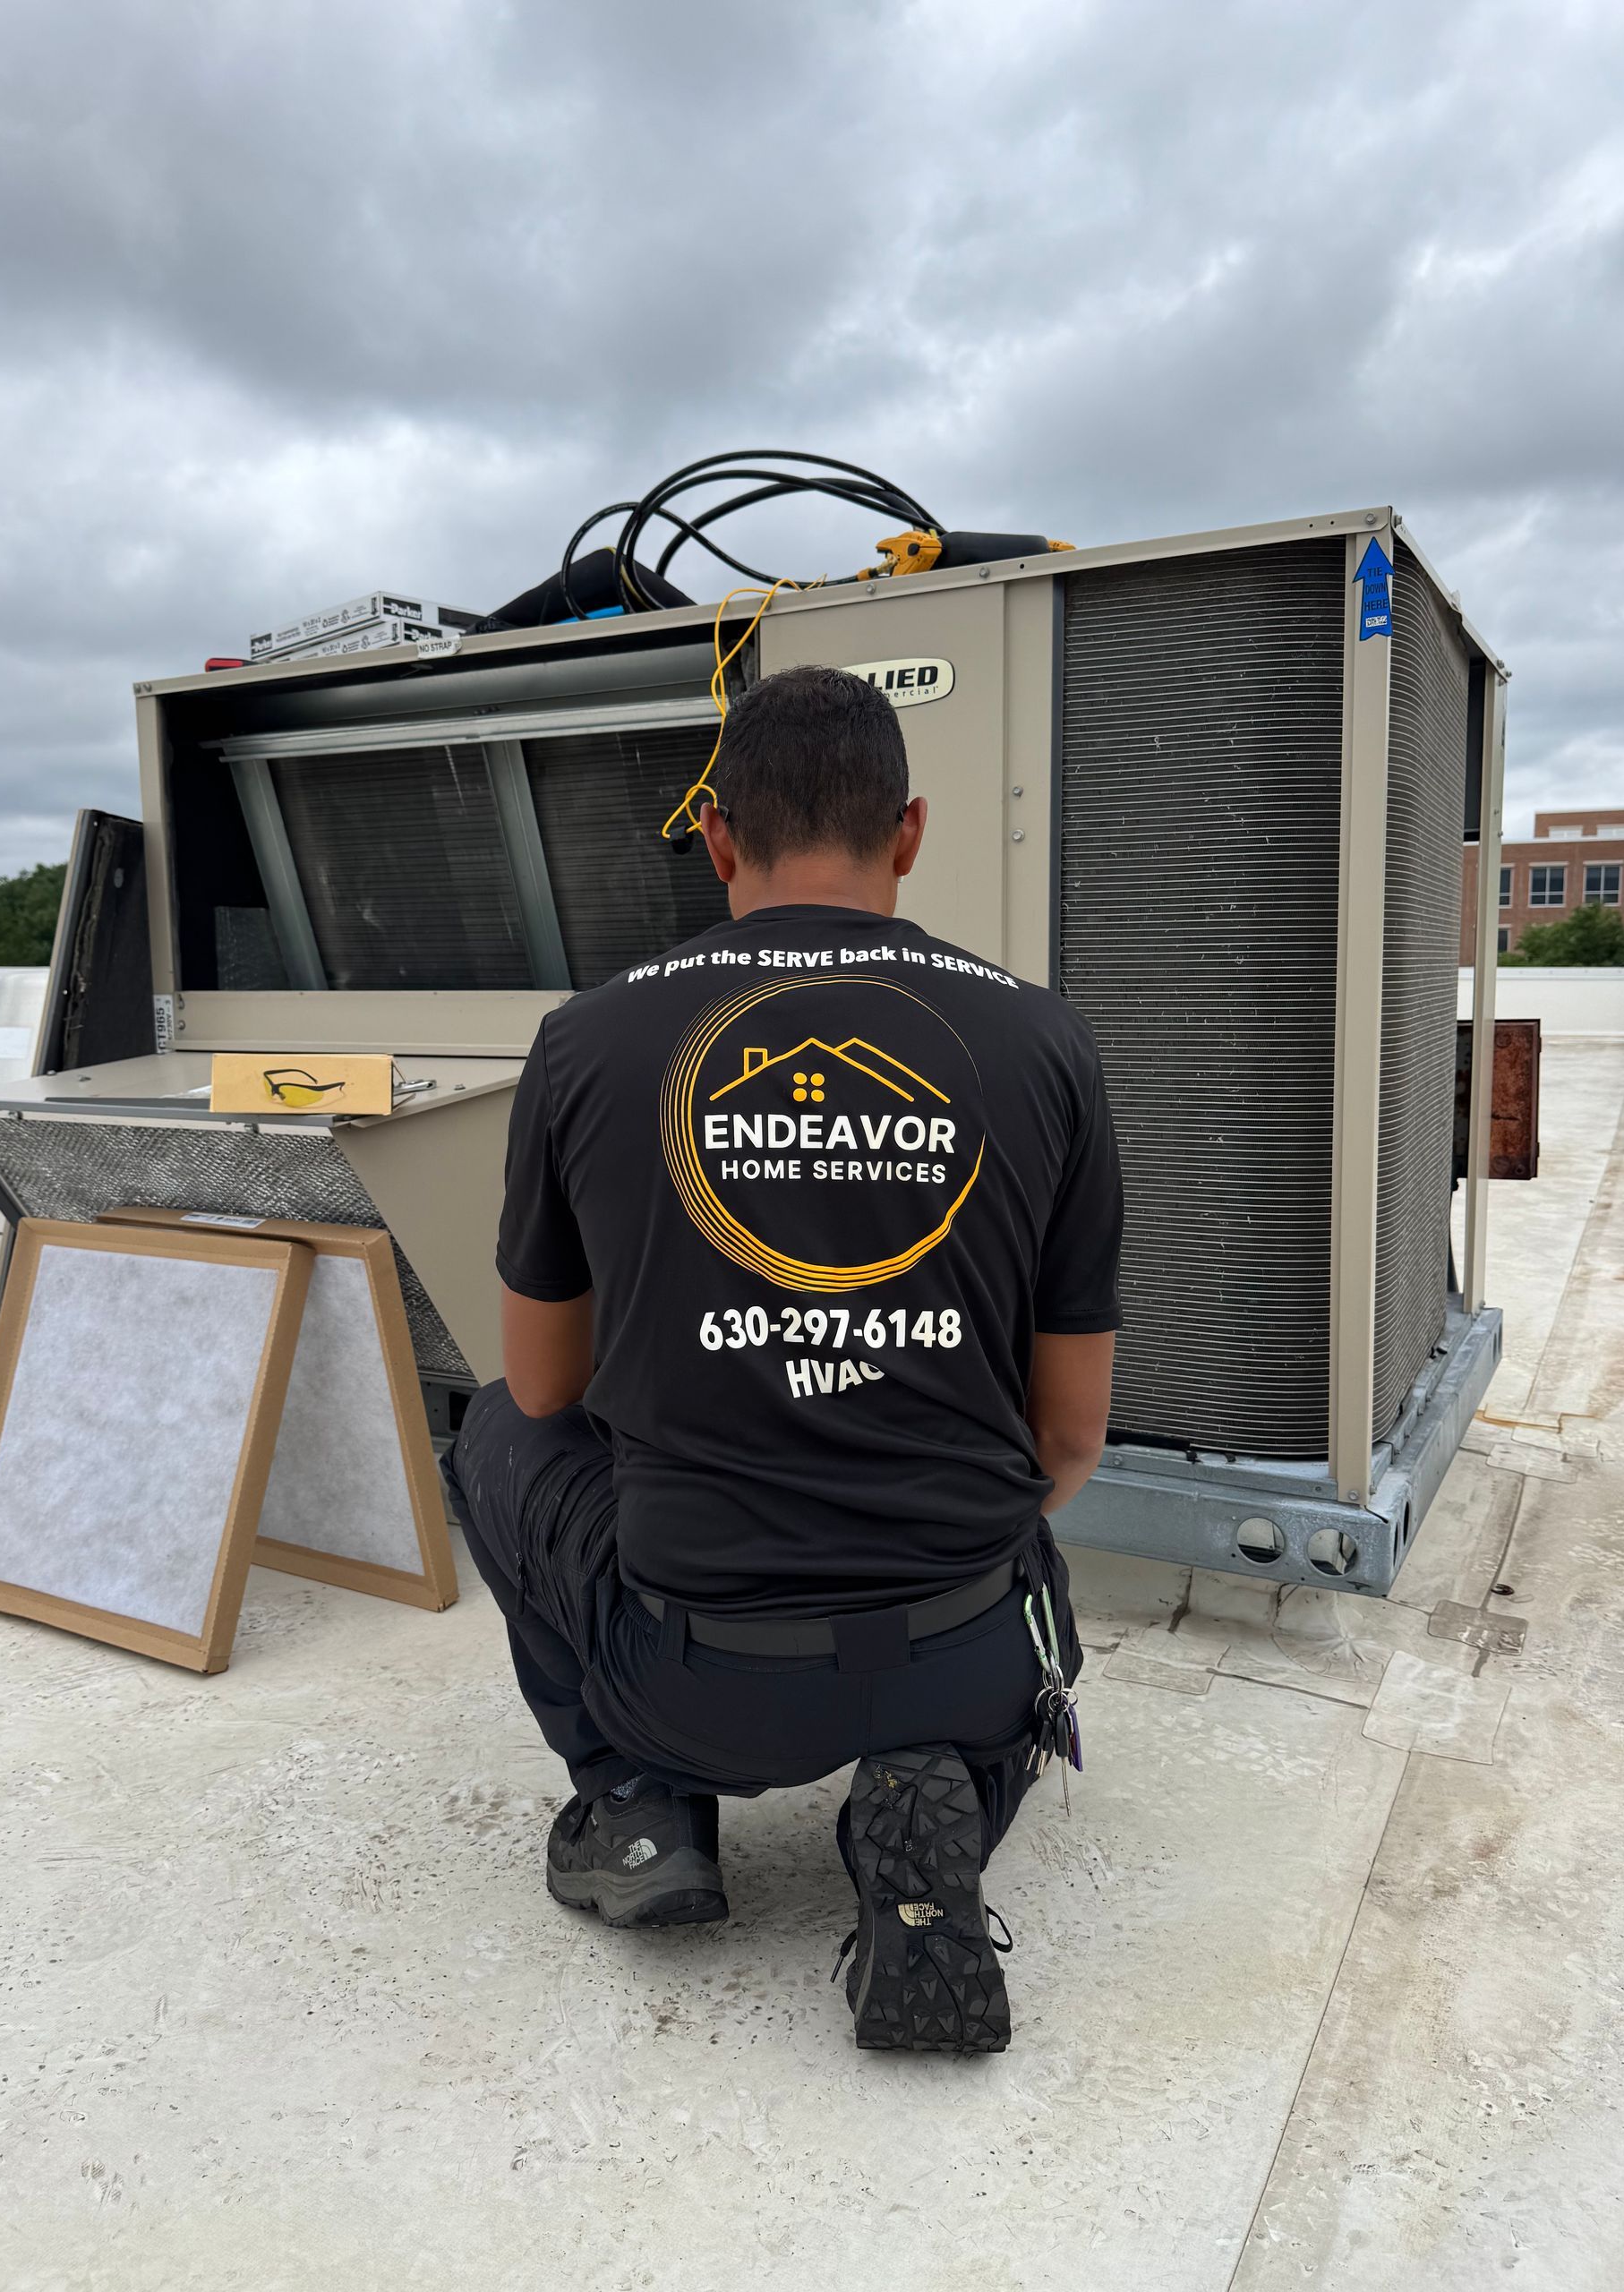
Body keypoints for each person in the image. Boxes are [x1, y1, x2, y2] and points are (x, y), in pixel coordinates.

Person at [444, 663, 1123, 2055]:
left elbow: (550, 1386)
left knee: (493, 1431)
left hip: (698, 1674)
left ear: (718, 839)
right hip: (968, 1647)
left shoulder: (586, 1044)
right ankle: (932, 1805)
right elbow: (1071, 1440)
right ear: (913, 834)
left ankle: (638, 1799)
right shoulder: (1044, 1041)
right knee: (1006, 1558)